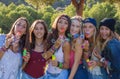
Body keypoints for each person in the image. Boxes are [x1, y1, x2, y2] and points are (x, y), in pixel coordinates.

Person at [41, 14, 71, 79]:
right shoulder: (49, 36)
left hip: (60, 76)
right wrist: (55, 46)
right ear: (56, 23)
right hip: (47, 74)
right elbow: (44, 57)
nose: (62, 25)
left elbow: (67, 65)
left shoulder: (66, 43)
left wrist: (58, 64)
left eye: (65, 23)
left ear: (68, 26)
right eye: (60, 22)